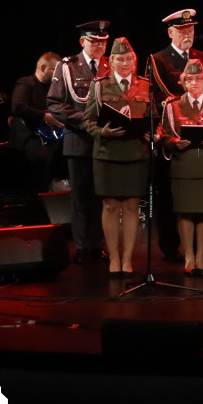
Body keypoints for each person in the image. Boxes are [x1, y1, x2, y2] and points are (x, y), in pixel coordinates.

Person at [83, 37, 151, 277]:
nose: (125, 63)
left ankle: (127, 258)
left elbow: (156, 120)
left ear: (135, 61)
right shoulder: (100, 85)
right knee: (111, 206)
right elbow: (88, 121)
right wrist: (103, 131)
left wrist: (155, 134)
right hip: (108, 154)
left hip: (136, 153)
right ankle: (113, 257)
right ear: (110, 62)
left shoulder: (145, 85)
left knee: (132, 206)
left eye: (129, 59)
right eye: (120, 59)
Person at [148, 8, 203, 261]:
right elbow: (157, 98)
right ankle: (170, 245)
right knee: (168, 194)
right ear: (170, 32)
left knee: (197, 193)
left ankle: (197, 246)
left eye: (192, 30)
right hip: (173, 134)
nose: (189, 34)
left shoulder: (202, 57)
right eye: (183, 30)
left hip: (200, 133)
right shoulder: (159, 59)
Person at [47, 20, 111, 264]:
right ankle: (82, 246)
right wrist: (86, 122)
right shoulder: (68, 67)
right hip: (80, 140)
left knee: (101, 197)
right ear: (82, 41)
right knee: (81, 198)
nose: (100, 46)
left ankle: (98, 245)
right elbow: (54, 104)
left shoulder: (110, 66)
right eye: (95, 42)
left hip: (106, 141)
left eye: (104, 42)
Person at [160, 60, 203, 277]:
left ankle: (200, 255)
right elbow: (164, 134)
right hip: (184, 166)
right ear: (182, 82)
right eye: (189, 79)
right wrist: (173, 143)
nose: (194, 83)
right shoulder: (172, 105)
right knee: (186, 212)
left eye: (198, 79)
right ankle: (189, 256)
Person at [9, 52, 65, 194]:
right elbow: (17, 107)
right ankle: (39, 199)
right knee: (43, 158)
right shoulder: (26, 83)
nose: (58, 74)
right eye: (54, 69)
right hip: (28, 134)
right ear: (42, 68)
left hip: (51, 135)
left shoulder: (55, 87)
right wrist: (45, 117)